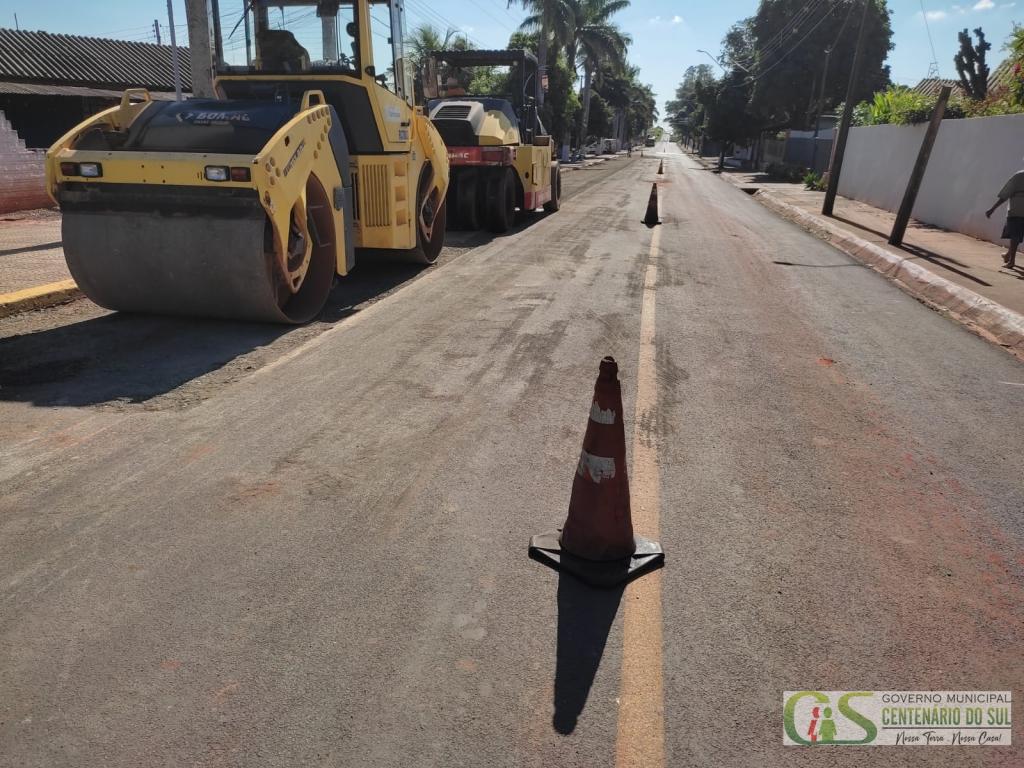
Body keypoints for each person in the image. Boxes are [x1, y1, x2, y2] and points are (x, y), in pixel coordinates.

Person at [985, 163, 1024, 269]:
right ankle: (1007, 255)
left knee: (1014, 236)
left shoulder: (1019, 176)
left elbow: (1005, 195)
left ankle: (1011, 261)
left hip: (1016, 209)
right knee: (1018, 235)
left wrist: (992, 209)